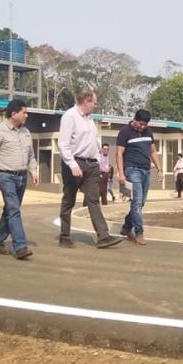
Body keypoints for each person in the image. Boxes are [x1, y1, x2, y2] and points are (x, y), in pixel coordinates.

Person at [57, 90, 124, 249]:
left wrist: (98, 163)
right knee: (69, 200)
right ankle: (64, 236)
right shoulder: (70, 116)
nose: (95, 105)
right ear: (86, 101)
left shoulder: (90, 119)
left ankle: (103, 236)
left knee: (94, 199)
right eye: (94, 102)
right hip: (74, 163)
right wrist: (72, 164)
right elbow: (63, 144)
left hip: (92, 165)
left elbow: (93, 142)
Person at [0, 99, 39, 260]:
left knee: (9, 210)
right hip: (5, 176)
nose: (26, 116)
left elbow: (31, 157)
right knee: (14, 209)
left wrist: (33, 172)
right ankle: (20, 246)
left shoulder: (26, 132)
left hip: (22, 177)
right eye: (24, 112)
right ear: (14, 114)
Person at [117, 109, 163, 245]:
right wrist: (121, 174)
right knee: (136, 202)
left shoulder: (148, 132)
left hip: (146, 171)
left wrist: (160, 169)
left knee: (140, 203)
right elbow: (119, 154)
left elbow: (153, 151)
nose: (142, 127)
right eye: (141, 124)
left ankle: (126, 228)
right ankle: (139, 233)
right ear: (135, 120)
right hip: (132, 170)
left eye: (145, 125)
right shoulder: (125, 132)